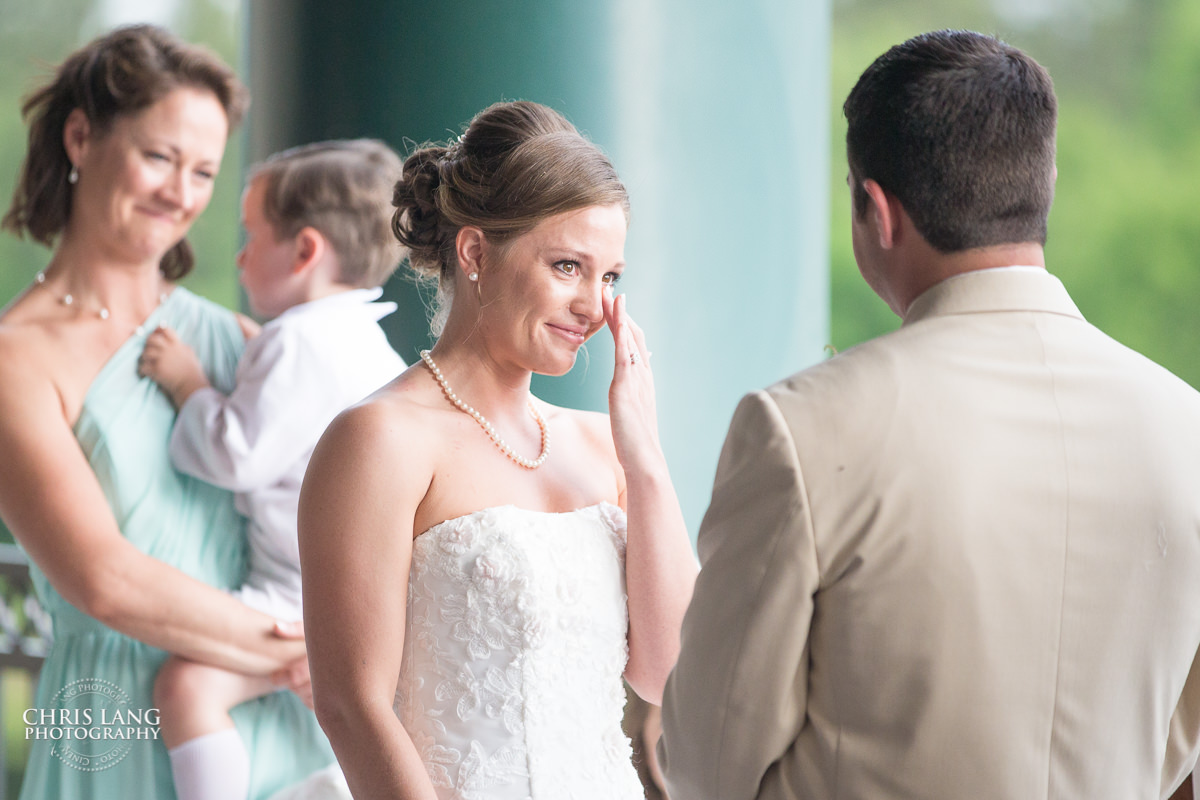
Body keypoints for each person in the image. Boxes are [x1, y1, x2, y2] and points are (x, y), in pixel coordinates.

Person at [659, 29, 1200, 800]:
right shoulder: (1188, 428)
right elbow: (1178, 743)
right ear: (1044, 182)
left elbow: (707, 763)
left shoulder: (803, 429)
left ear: (876, 211)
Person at [297, 100, 699, 800]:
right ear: (476, 251)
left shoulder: (603, 444)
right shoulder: (379, 439)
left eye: (610, 277)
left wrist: (647, 462)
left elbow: (670, 670)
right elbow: (350, 705)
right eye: (568, 266)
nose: (594, 306)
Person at [0, 25, 336, 799]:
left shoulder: (245, 344)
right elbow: (104, 581)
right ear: (81, 137)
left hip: (269, 713)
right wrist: (308, 651)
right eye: (159, 157)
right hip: (112, 721)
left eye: (204, 171)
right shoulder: (17, 359)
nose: (180, 193)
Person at [136, 138, 407, 800]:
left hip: (299, 597)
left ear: (306, 251)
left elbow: (236, 455)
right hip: (371, 597)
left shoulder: (296, 342)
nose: (238, 255)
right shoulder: (364, 340)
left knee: (184, 685)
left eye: (251, 236)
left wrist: (189, 385)